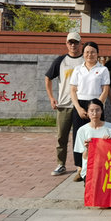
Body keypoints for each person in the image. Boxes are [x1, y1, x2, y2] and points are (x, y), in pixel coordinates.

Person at [69, 41, 111, 181]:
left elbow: (105, 90)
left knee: (98, 135)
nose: (90, 54)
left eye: (93, 52)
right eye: (87, 52)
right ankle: (80, 168)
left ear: (97, 54)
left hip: (96, 104)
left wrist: (96, 107)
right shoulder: (78, 69)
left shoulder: (103, 70)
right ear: (83, 54)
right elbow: (73, 90)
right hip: (80, 105)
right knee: (79, 135)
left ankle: (98, 166)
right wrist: (78, 108)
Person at [44, 31, 84, 176]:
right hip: (64, 105)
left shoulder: (85, 60)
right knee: (62, 137)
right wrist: (51, 97)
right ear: (66, 44)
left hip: (81, 105)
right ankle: (61, 164)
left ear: (80, 44)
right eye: (70, 42)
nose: (73, 45)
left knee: (80, 138)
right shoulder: (61, 61)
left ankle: (81, 166)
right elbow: (48, 78)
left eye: (76, 42)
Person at [73, 99, 111, 182]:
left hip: (107, 168)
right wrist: (87, 148)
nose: (95, 113)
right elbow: (84, 157)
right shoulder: (82, 130)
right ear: (87, 112)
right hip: (90, 170)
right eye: (91, 111)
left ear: (102, 111)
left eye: (97, 110)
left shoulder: (110, 128)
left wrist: (109, 144)